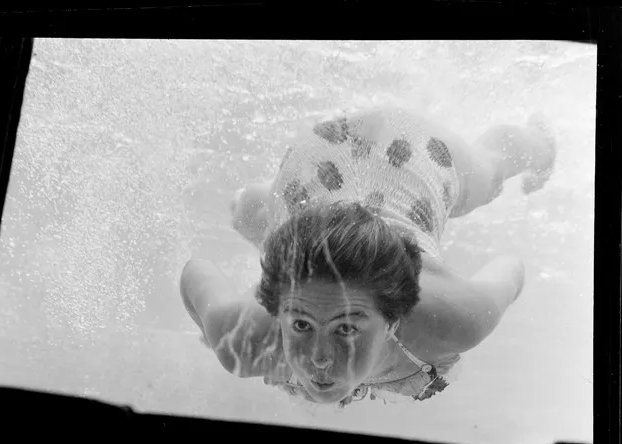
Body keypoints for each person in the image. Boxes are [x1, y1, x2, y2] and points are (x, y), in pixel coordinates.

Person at [180, 106, 556, 407]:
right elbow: (193, 273)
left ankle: (541, 145)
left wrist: (215, 329)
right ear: (276, 309)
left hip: (410, 149)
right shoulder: (243, 334)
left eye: (346, 328)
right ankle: (254, 207)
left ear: (394, 321)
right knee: (245, 215)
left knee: (489, 175)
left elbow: (513, 268)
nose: (321, 359)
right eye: (300, 325)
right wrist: (210, 328)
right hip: (317, 165)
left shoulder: (458, 316)